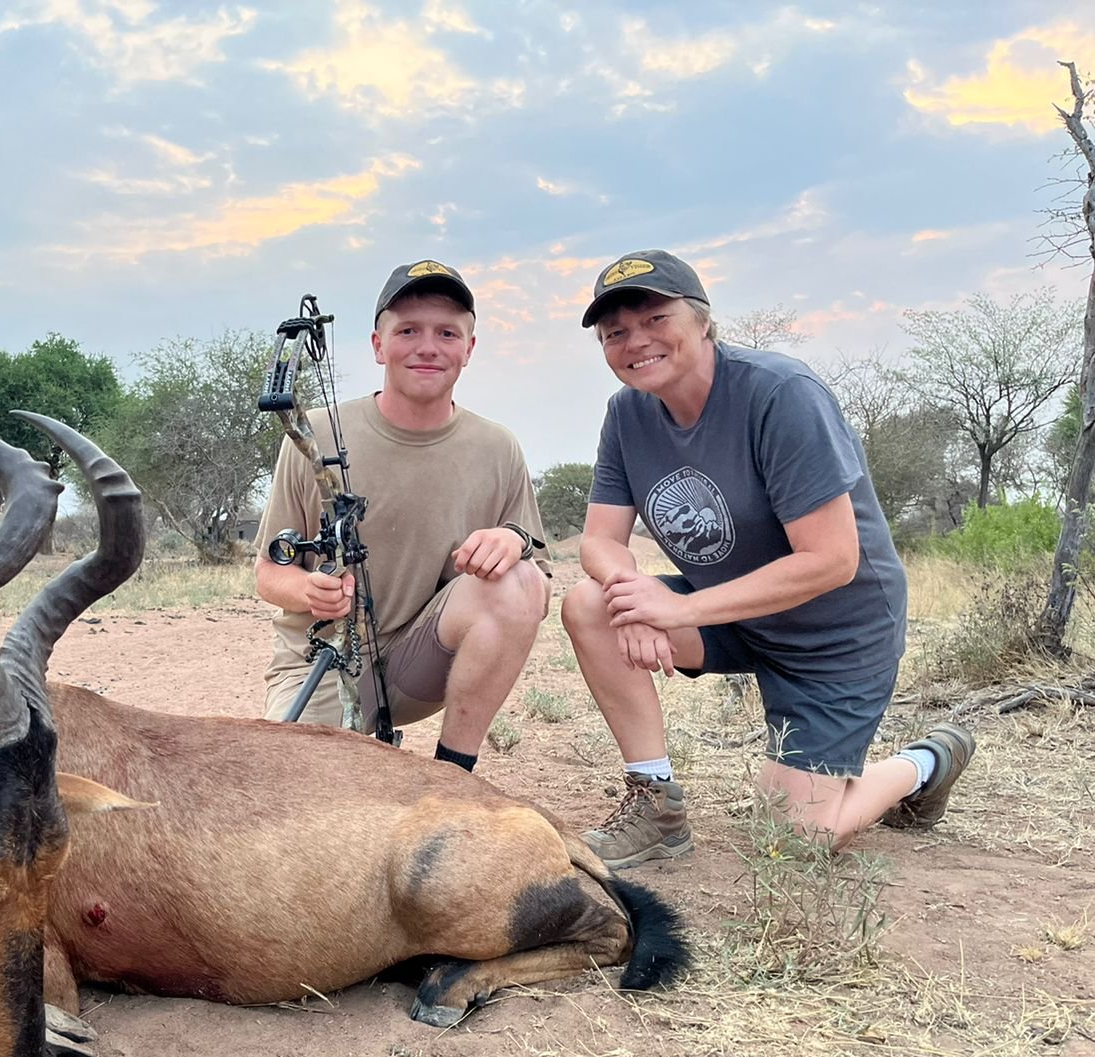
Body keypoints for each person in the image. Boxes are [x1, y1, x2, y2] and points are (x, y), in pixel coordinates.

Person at [561, 249, 974, 869]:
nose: (635, 341)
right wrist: (634, 596)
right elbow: (599, 540)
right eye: (615, 332)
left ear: (701, 320)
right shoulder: (626, 413)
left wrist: (679, 609)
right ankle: (656, 805)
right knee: (591, 602)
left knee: (790, 842)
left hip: (835, 635)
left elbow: (832, 560)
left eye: (654, 319)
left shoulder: (782, 394)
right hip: (735, 615)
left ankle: (925, 763)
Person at [254, 260, 551, 772]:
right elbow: (267, 571)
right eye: (408, 330)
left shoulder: (498, 447)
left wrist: (509, 541)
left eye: (447, 333)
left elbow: (537, 588)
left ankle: (452, 777)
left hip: (420, 664)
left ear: (469, 349)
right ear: (378, 345)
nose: (428, 347)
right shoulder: (312, 434)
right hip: (322, 658)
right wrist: (308, 592)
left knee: (517, 581)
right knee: (299, 801)